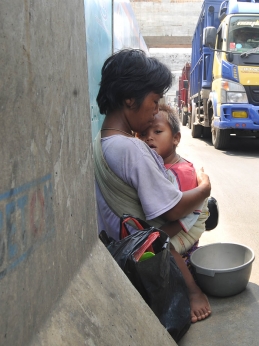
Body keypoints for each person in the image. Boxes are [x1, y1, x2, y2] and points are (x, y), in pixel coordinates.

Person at [93, 49, 211, 323]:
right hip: (141, 258)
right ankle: (192, 291)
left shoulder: (100, 143)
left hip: (115, 248)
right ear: (130, 98)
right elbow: (171, 210)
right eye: (155, 100)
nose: (156, 110)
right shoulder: (132, 149)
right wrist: (204, 188)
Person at [137, 104, 209, 259]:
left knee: (166, 249)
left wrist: (158, 236)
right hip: (169, 225)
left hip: (184, 228)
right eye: (143, 133)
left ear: (175, 138)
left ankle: (190, 284)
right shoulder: (155, 166)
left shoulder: (183, 172)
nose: (149, 137)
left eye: (157, 131)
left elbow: (186, 215)